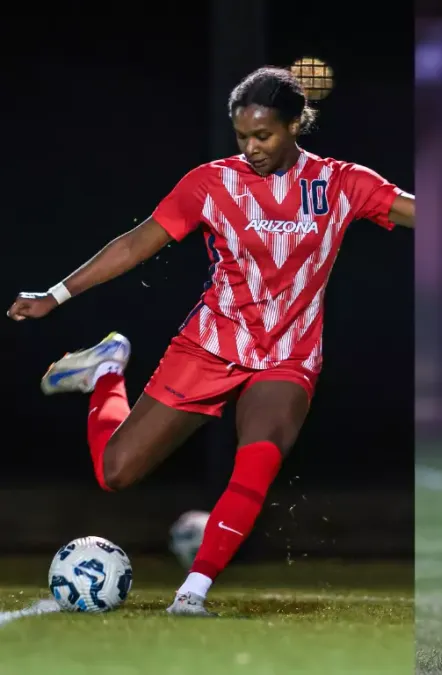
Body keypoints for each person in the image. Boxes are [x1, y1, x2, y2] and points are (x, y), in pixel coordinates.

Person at [6, 66, 415, 616]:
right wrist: (56, 295)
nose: (252, 148)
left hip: (288, 354)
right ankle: (106, 371)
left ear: (295, 125)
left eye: (263, 135)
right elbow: (136, 244)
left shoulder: (341, 183)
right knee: (115, 472)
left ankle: (192, 593)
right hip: (210, 346)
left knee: (259, 457)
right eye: (243, 136)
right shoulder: (211, 183)